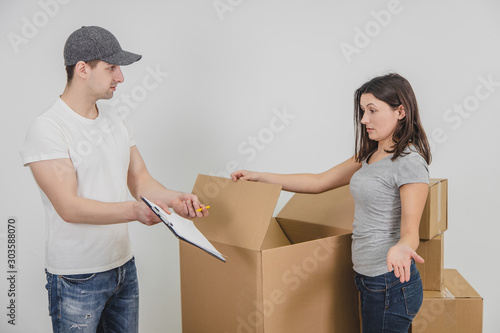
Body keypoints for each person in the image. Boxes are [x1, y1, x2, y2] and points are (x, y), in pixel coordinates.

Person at [20, 26, 209, 333]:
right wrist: (135, 211)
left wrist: (173, 198)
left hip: (123, 268)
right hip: (76, 278)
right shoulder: (49, 129)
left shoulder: (116, 120)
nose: (120, 77)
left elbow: (140, 180)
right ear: (82, 69)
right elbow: (69, 208)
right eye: (111, 68)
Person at [231, 73, 431, 332]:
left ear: (401, 111)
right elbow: (318, 181)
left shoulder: (410, 162)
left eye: (372, 110)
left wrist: (403, 248)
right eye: (362, 111)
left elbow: (410, 234)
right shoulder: (369, 153)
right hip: (369, 279)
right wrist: (261, 177)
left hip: (390, 285)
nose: (364, 120)